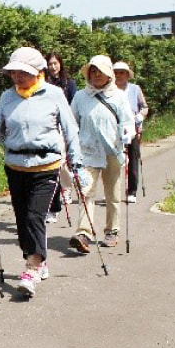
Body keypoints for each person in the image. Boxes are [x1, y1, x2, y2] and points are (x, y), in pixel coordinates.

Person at [0, 47, 84, 297]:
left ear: (38, 72)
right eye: (13, 72)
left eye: (22, 72)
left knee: (36, 216)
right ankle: (37, 257)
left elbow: (70, 129)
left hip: (46, 165)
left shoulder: (54, 94)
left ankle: (32, 268)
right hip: (15, 165)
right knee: (23, 218)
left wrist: (76, 161)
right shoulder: (7, 97)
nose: (16, 77)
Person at [68, 55, 134, 251]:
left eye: (100, 71)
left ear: (109, 74)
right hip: (87, 152)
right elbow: (72, 123)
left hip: (112, 151)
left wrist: (127, 133)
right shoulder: (80, 96)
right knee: (85, 192)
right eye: (92, 71)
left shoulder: (119, 96)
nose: (96, 75)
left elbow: (128, 122)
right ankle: (83, 233)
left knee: (112, 194)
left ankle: (112, 230)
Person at [44, 52, 78, 222]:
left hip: (64, 126)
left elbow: (73, 105)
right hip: (49, 127)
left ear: (60, 64)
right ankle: (54, 204)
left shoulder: (68, 83)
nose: (53, 67)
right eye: (50, 64)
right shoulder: (43, 83)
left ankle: (66, 187)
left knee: (63, 162)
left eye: (55, 63)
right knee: (54, 164)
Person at [113, 61, 149, 204]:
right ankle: (113, 190)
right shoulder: (109, 90)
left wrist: (141, 115)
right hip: (114, 129)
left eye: (122, 73)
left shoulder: (135, 89)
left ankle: (132, 190)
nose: (118, 75)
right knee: (113, 160)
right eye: (116, 73)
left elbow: (144, 107)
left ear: (127, 75)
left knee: (133, 159)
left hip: (132, 128)